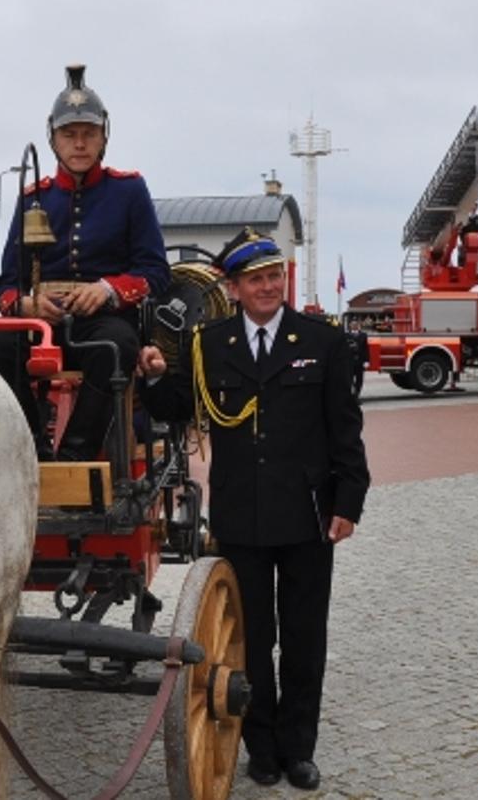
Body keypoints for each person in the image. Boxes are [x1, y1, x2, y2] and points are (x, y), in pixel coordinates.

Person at [137, 230, 369, 791]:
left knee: (305, 637)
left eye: (274, 276)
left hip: (308, 514)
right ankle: (260, 748)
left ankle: (299, 750)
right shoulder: (207, 344)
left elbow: (345, 428)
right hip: (241, 514)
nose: (267, 287)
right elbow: (179, 408)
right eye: (255, 279)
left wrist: (349, 501)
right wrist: (155, 374)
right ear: (234, 288)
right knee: (251, 639)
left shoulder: (322, 340)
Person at [0, 64, 169, 461]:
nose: (79, 144)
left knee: (116, 347)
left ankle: (75, 457)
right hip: (43, 323)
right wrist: (24, 304)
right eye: (69, 135)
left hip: (102, 320)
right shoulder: (33, 196)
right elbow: (7, 282)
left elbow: (155, 271)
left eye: (89, 134)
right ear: (53, 139)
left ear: (103, 136)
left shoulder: (128, 190)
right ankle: (33, 449)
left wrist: (108, 290)